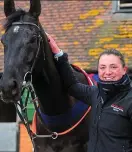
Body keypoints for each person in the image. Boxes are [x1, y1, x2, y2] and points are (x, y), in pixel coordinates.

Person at [47, 33, 132, 152]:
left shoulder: (129, 99)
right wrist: (58, 53)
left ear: (124, 70)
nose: (107, 72)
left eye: (113, 67)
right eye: (102, 67)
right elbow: (72, 86)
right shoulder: (96, 94)